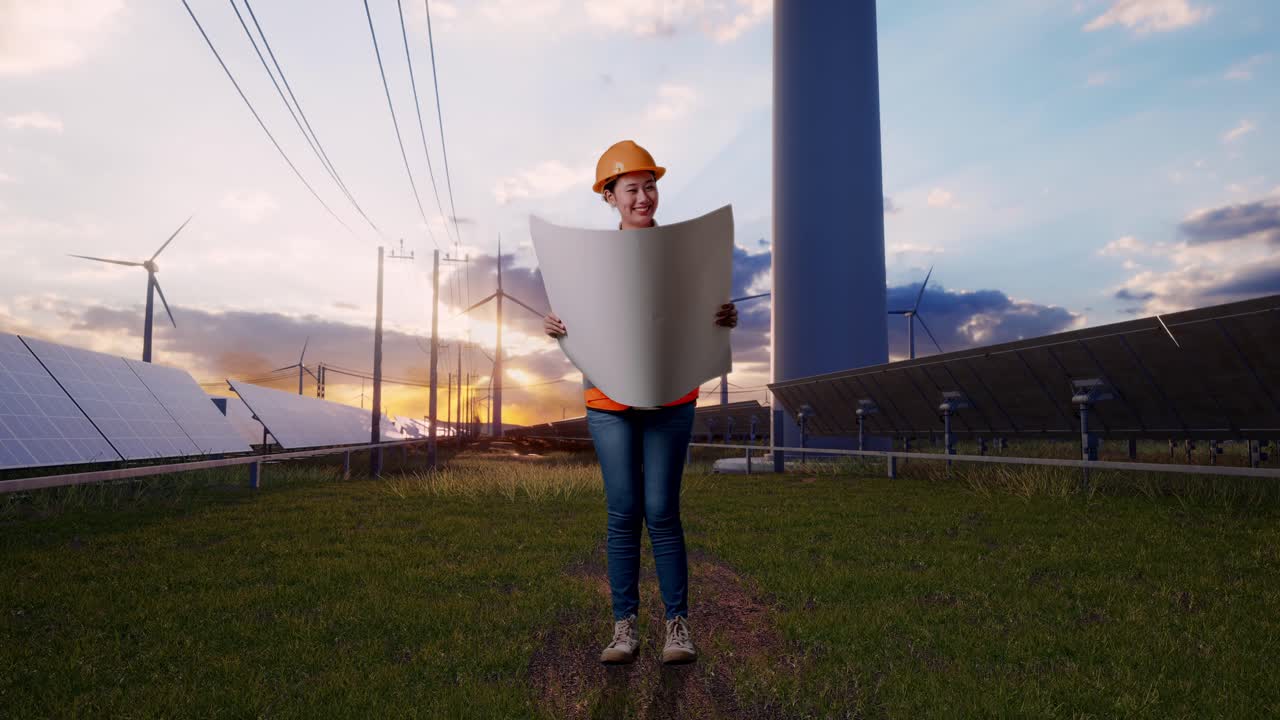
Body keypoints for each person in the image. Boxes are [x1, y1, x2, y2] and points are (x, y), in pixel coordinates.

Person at [543, 140, 737, 665]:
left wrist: (722, 319)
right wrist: (558, 326)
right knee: (624, 512)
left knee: (662, 511)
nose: (644, 196)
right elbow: (580, 318)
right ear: (610, 197)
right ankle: (624, 628)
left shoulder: (685, 250)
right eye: (632, 188)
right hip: (608, 400)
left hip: (672, 395)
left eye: (650, 186)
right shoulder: (586, 263)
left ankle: (677, 628)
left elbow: (704, 307)